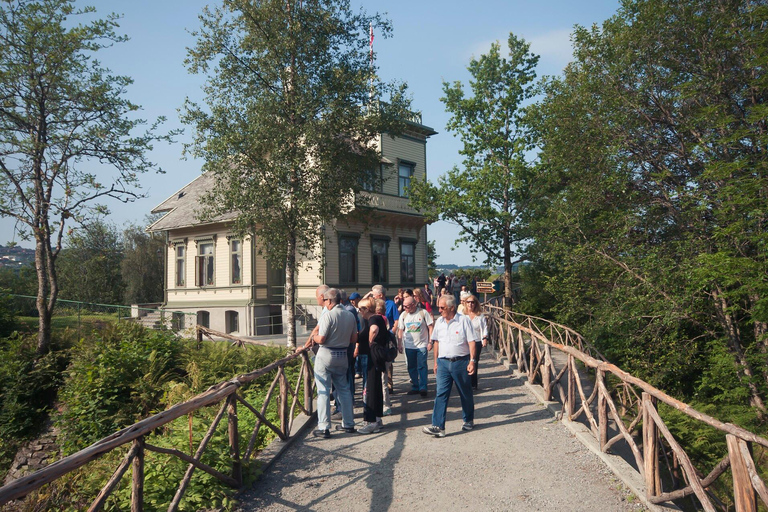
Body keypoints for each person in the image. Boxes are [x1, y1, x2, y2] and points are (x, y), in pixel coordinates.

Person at [302, 288, 357, 438]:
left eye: (325, 300)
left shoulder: (328, 316)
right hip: (343, 354)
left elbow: (322, 338)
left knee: (323, 391)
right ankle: (349, 423)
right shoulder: (350, 315)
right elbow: (353, 339)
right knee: (344, 389)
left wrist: (314, 337)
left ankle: (324, 427)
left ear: (330, 300)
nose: (324, 303)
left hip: (326, 353)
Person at [423, 295, 479, 438]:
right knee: (441, 394)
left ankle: (468, 419)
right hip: (443, 363)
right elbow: (436, 342)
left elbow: (472, 342)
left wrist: (472, 361)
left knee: (465, 392)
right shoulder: (439, 322)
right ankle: (438, 426)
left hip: (460, 362)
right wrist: (435, 362)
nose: (439, 310)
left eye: (442, 307)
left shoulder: (464, 321)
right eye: (439, 307)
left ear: (452, 308)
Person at [356, 298, 389, 434]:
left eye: (361, 309)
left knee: (370, 388)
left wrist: (370, 342)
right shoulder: (379, 318)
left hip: (372, 358)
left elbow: (374, 330)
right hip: (378, 358)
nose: (359, 312)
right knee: (375, 387)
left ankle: (371, 422)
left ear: (366, 309)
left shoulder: (372, 320)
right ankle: (377, 418)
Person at [398, 296, 433, 397]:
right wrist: (399, 344)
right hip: (409, 346)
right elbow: (400, 330)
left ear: (413, 305)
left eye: (407, 306)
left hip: (422, 345)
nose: (405, 308)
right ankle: (415, 386)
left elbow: (430, 327)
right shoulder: (403, 315)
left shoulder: (423, 313)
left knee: (422, 366)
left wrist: (430, 342)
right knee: (411, 367)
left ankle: (423, 387)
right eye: (404, 306)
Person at [371, 285, 399, 396]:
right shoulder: (373, 304)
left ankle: (389, 384)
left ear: (381, 295)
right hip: (377, 338)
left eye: (374, 294)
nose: (372, 296)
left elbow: (396, 320)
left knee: (388, 360)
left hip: (387, 336)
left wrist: (392, 332)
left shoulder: (390, 304)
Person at [464, 294, 488, 390]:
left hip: (476, 341)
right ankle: (465, 382)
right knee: (465, 361)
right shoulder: (462, 316)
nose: (470, 304)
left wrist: (484, 338)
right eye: (468, 302)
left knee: (474, 361)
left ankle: (473, 383)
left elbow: (484, 328)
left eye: (472, 302)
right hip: (465, 342)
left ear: (475, 304)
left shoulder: (480, 316)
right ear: (465, 304)